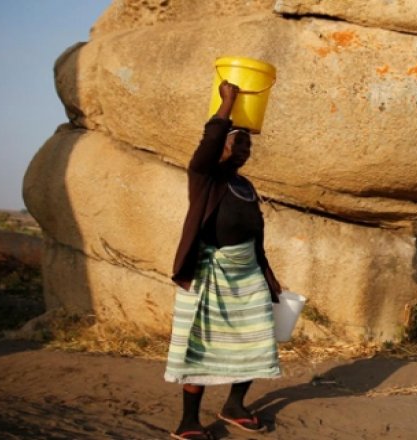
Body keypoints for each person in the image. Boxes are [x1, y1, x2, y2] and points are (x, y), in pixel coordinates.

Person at [164, 80, 283, 440]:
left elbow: (254, 235)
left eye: (248, 145)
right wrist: (227, 104)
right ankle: (189, 422)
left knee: (255, 339)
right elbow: (209, 143)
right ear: (223, 147)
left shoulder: (245, 186)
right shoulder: (205, 178)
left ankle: (234, 405)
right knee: (200, 344)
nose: (245, 151)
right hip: (209, 274)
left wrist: (268, 275)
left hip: (246, 273)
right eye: (238, 143)